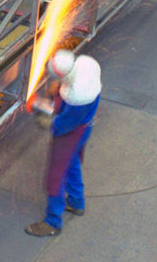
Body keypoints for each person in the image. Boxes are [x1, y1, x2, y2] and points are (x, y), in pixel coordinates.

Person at [25, 49, 101, 238]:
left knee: (56, 175)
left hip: (72, 132)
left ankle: (52, 222)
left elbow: (61, 125)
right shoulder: (86, 63)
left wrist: (42, 115)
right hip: (85, 125)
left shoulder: (78, 96)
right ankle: (76, 202)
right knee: (72, 162)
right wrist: (56, 89)